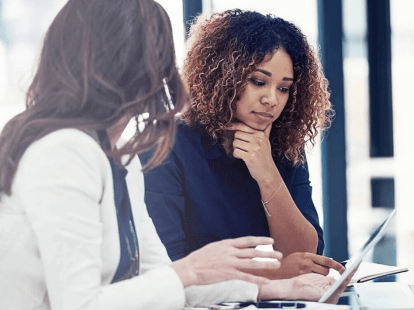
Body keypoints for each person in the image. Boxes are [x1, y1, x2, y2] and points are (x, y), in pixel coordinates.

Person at [0, 1, 336, 309]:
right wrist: (191, 270)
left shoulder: (118, 157)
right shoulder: (64, 152)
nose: (167, 76)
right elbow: (82, 304)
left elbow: (156, 278)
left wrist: (265, 289)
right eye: (156, 57)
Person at [141, 9, 343, 279]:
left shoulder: (284, 145)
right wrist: (273, 272)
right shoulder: (165, 143)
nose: (271, 99)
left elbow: (308, 254)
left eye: (283, 88)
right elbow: (169, 266)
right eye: (258, 82)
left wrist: (268, 173)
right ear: (223, 77)